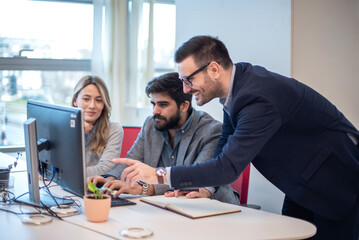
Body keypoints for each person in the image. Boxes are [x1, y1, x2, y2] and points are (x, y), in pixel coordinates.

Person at [116, 36, 359, 240]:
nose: (186, 89)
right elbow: (226, 143)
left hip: (335, 180)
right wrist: (206, 188)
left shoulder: (256, 97)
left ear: (213, 68)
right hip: (301, 180)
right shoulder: (239, 86)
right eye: (182, 81)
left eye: (188, 80)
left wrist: (158, 174)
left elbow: (228, 167)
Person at [90, 72, 239, 205]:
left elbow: (192, 181)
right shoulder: (151, 124)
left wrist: (145, 188)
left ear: (184, 106)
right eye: (153, 104)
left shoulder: (211, 131)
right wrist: (110, 179)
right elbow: (131, 160)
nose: (155, 111)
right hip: (166, 207)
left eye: (163, 104)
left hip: (211, 210)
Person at [72, 75, 123, 177]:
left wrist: (65, 174)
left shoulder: (114, 129)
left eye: (99, 100)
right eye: (86, 99)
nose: (92, 106)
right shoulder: (63, 126)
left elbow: (104, 169)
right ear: (75, 101)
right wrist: (77, 131)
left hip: (94, 188)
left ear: (104, 104)